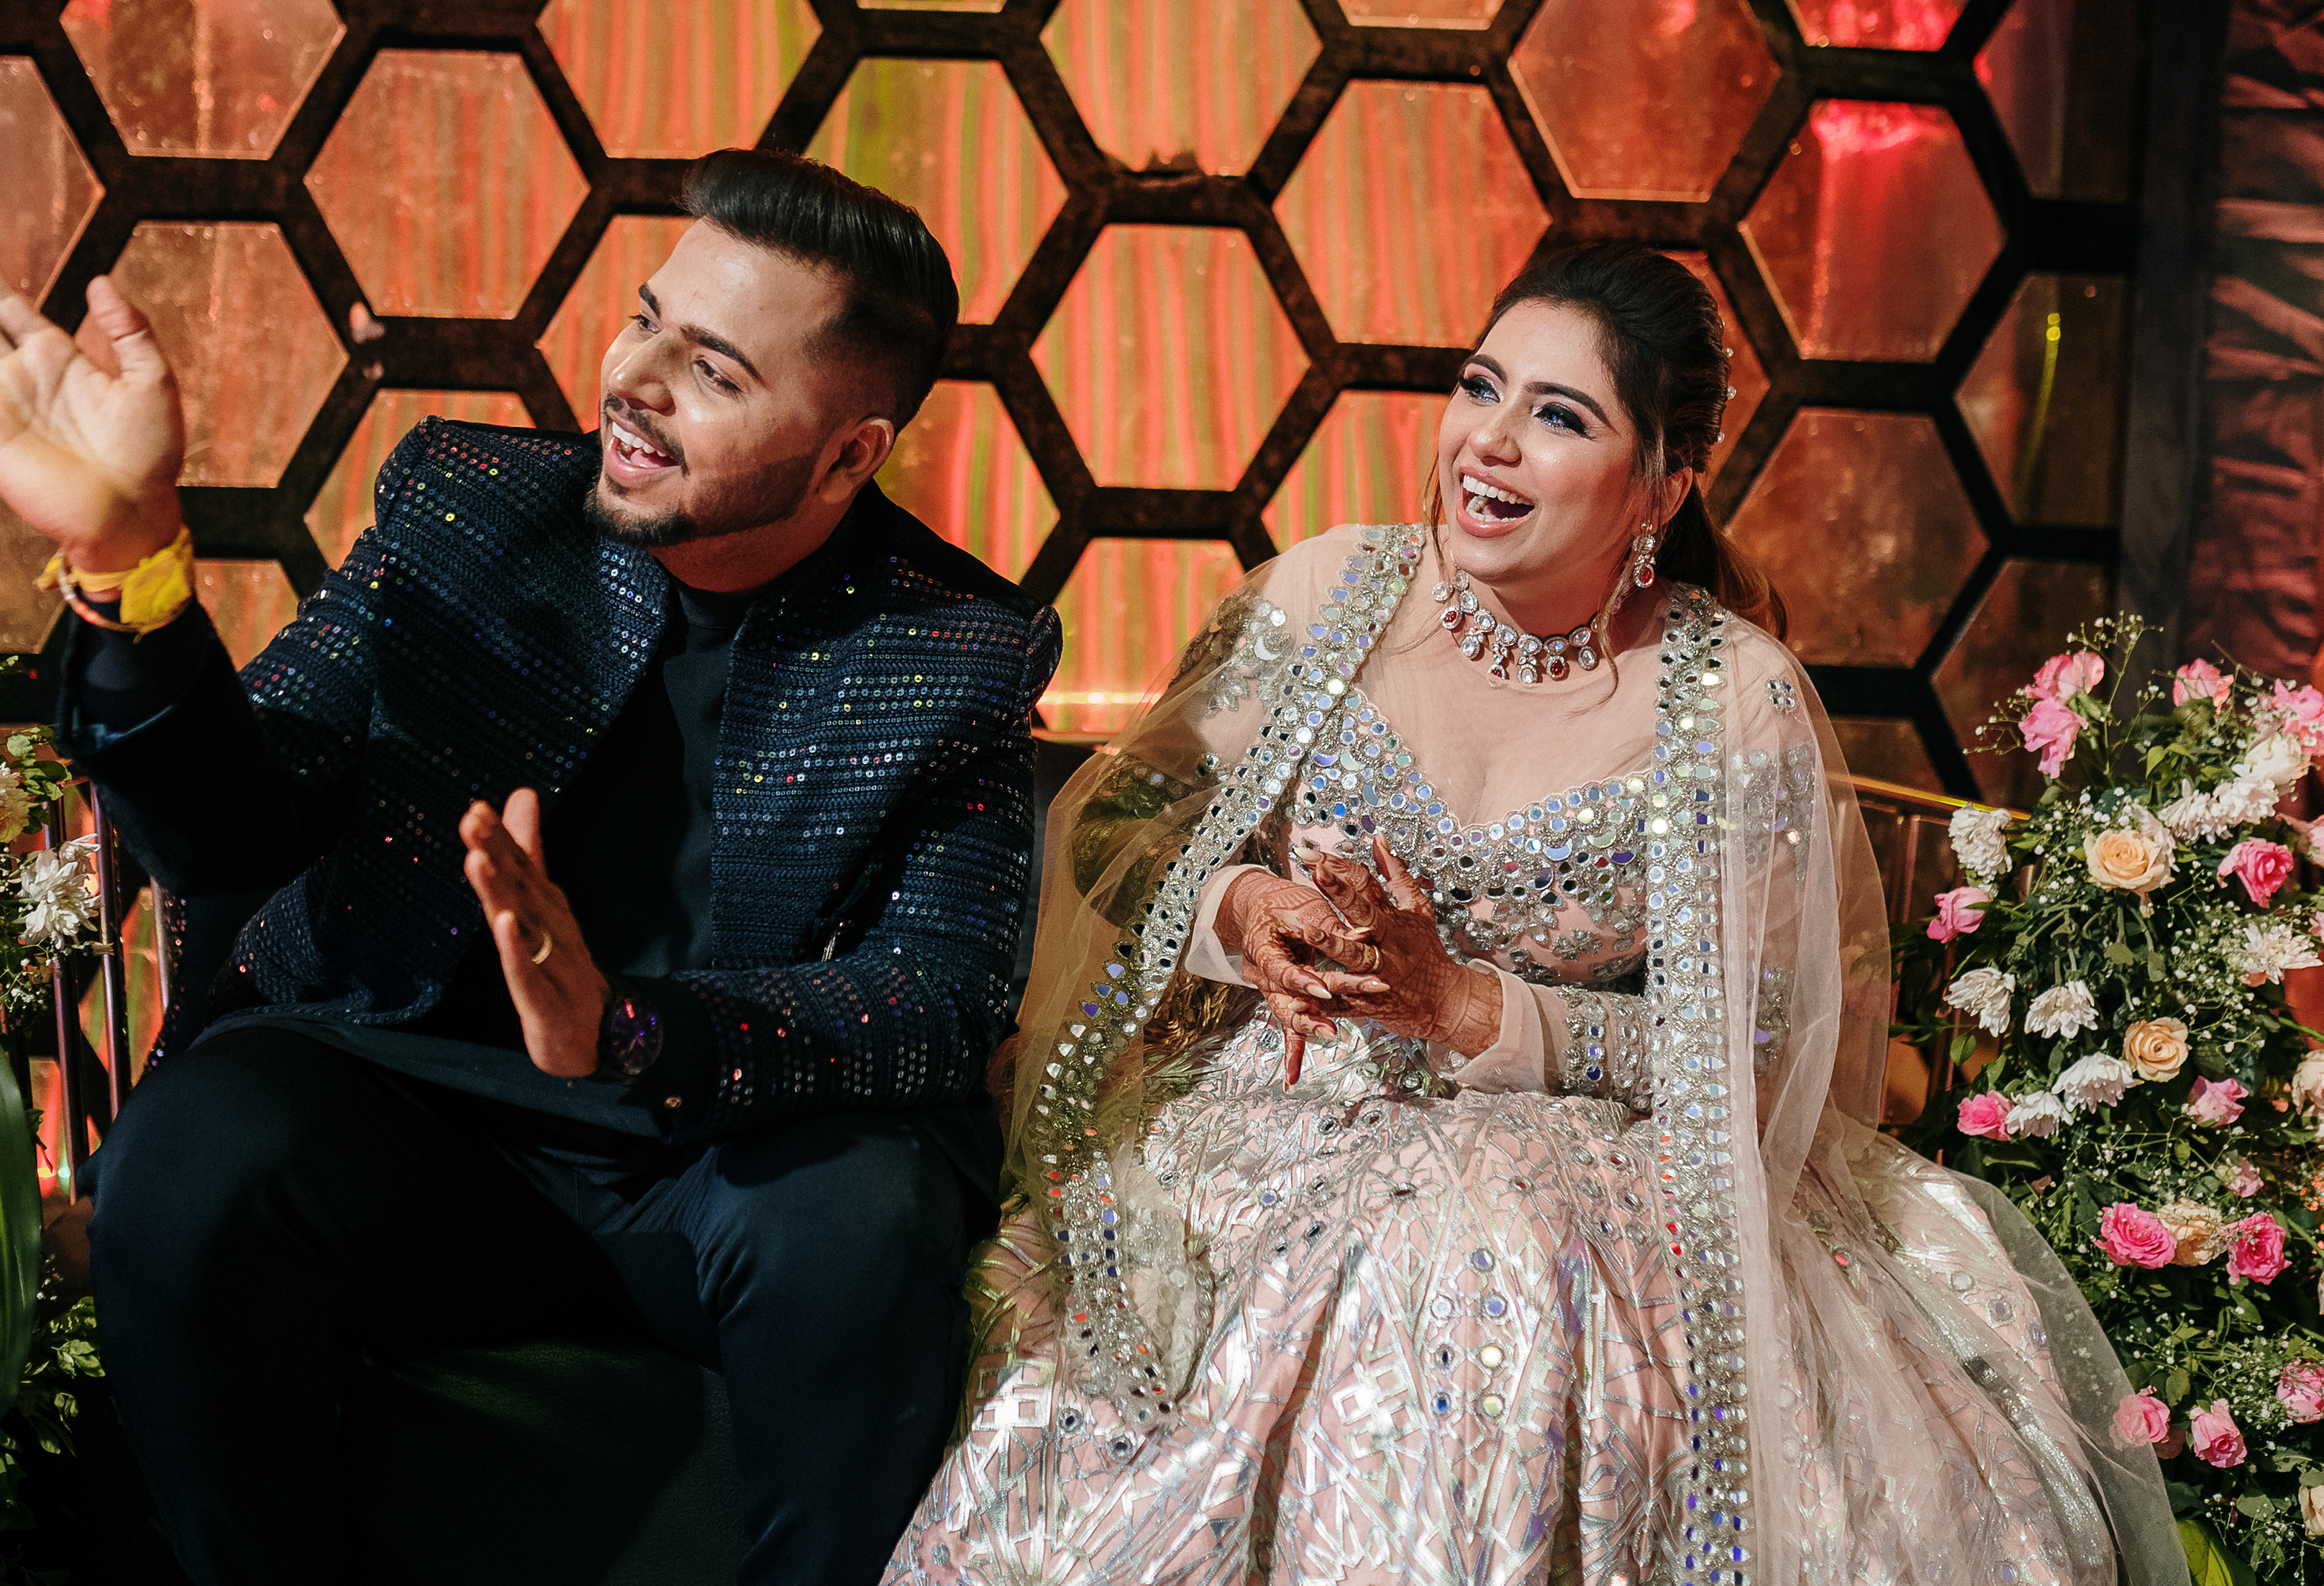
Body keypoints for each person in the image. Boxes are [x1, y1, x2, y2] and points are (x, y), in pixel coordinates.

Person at [888, 245, 2182, 1585]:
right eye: (1479, 387)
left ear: (1662, 487)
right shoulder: (1327, 595)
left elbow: (1760, 1052)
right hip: (1275, 1104)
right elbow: (1118, 818)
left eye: (1559, 415)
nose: (1489, 443)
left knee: (1471, 1252)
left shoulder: (1730, 701)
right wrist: (1242, 901)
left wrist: (1470, 1009)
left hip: (1588, 1154)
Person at [0, 150, 1062, 1586]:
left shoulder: (955, 647)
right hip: (414, 1115)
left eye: (714, 371)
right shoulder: (472, 509)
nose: (634, 381)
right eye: (645, 320)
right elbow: (238, 820)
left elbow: (935, 994)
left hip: (710, 1161)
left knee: (866, 1212)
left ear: (848, 456)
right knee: (195, 1152)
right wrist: (132, 565)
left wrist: (629, 1028)